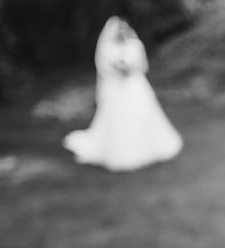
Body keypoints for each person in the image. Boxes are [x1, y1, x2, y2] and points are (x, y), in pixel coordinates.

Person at [63, 16, 182, 171]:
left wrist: (131, 69)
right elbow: (104, 69)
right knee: (120, 117)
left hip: (135, 85)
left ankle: (150, 147)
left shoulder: (135, 45)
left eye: (123, 28)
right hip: (117, 89)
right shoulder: (107, 48)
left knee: (142, 114)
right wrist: (119, 70)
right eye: (118, 29)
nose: (121, 32)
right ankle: (120, 151)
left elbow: (143, 65)